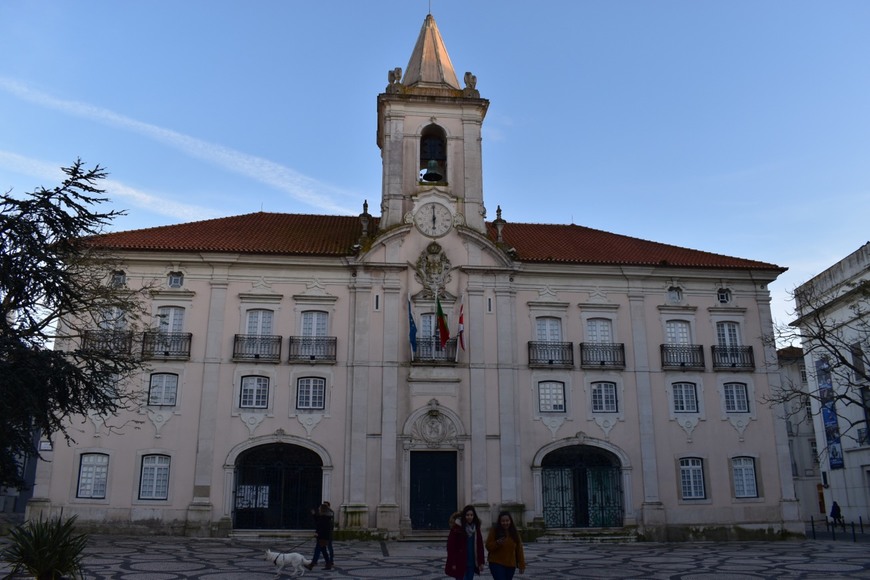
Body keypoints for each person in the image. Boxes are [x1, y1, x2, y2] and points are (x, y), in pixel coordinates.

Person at [445, 505, 484, 580]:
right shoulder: (456, 528)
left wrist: (481, 562)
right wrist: (453, 562)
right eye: (467, 515)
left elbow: (480, 545)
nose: (469, 517)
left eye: (471, 515)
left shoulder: (476, 528)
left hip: (472, 562)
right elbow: (451, 547)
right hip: (460, 561)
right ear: (464, 515)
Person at [485, 511, 525, 579]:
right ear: (500, 522)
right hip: (496, 563)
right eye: (503, 521)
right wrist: (497, 543)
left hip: (510, 564)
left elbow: (519, 549)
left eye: (507, 521)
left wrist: (521, 564)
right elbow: (488, 546)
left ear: (510, 521)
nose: (505, 523)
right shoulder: (494, 530)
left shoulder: (514, 532)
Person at [305, 501, 334, 571]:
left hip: (322, 537)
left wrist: (317, 533)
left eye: (319, 509)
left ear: (322, 510)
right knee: (323, 550)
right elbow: (318, 521)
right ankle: (328, 564)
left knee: (317, 550)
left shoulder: (324, 518)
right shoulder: (326, 517)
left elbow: (321, 527)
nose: (319, 510)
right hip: (324, 537)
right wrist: (314, 514)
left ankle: (312, 564)